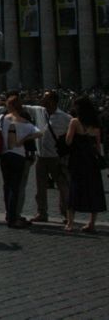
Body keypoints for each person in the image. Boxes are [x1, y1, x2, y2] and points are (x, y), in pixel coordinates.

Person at [0, 94, 42, 229]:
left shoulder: (2, 117)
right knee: (16, 188)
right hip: (19, 156)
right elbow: (39, 133)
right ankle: (13, 217)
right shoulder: (24, 120)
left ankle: (9, 214)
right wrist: (24, 139)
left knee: (7, 186)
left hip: (4, 155)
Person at [24, 91, 72, 224]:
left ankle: (66, 213)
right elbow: (24, 107)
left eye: (44, 98)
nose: (41, 99)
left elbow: (72, 133)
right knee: (40, 186)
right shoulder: (39, 111)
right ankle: (42, 212)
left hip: (56, 156)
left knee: (62, 185)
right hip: (41, 155)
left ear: (52, 101)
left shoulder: (64, 117)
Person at [64, 96, 106, 232]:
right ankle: (92, 223)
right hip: (91, 161)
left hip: (78, 160)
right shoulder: (96, 124)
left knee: (74, 189)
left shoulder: (75, 122)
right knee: (94, 190)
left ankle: (70, 223)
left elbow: (68, 141)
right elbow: (98, 146)